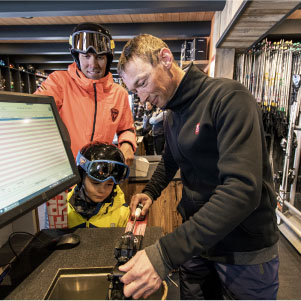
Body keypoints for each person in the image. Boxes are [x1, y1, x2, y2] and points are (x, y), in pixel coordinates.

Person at [116, 34, 279, 300]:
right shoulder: (172, 115)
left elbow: (241, 191)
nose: (143, 98)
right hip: (198, 247)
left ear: (166, 59)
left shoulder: (229, 98)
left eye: (143, 83)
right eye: (136, 90)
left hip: (243, 252)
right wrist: (151, 192)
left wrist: (164, 254)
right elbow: (171, 158)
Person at [34, 22, 136, 165]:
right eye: (86, 56)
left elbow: (127, 129)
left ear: (108, 59)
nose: (93, 64)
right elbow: (34, 113)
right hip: (66, 170)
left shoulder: (119, 94)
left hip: (99, 172)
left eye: (100, 57)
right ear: (77, 57)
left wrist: (127, 145)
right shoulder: (58, 82)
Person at [67, 141, 130, 228]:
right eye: (95, 183)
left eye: (109, 184)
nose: (102, 190)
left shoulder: (122, 213)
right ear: (81, 178)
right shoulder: (64, 209)